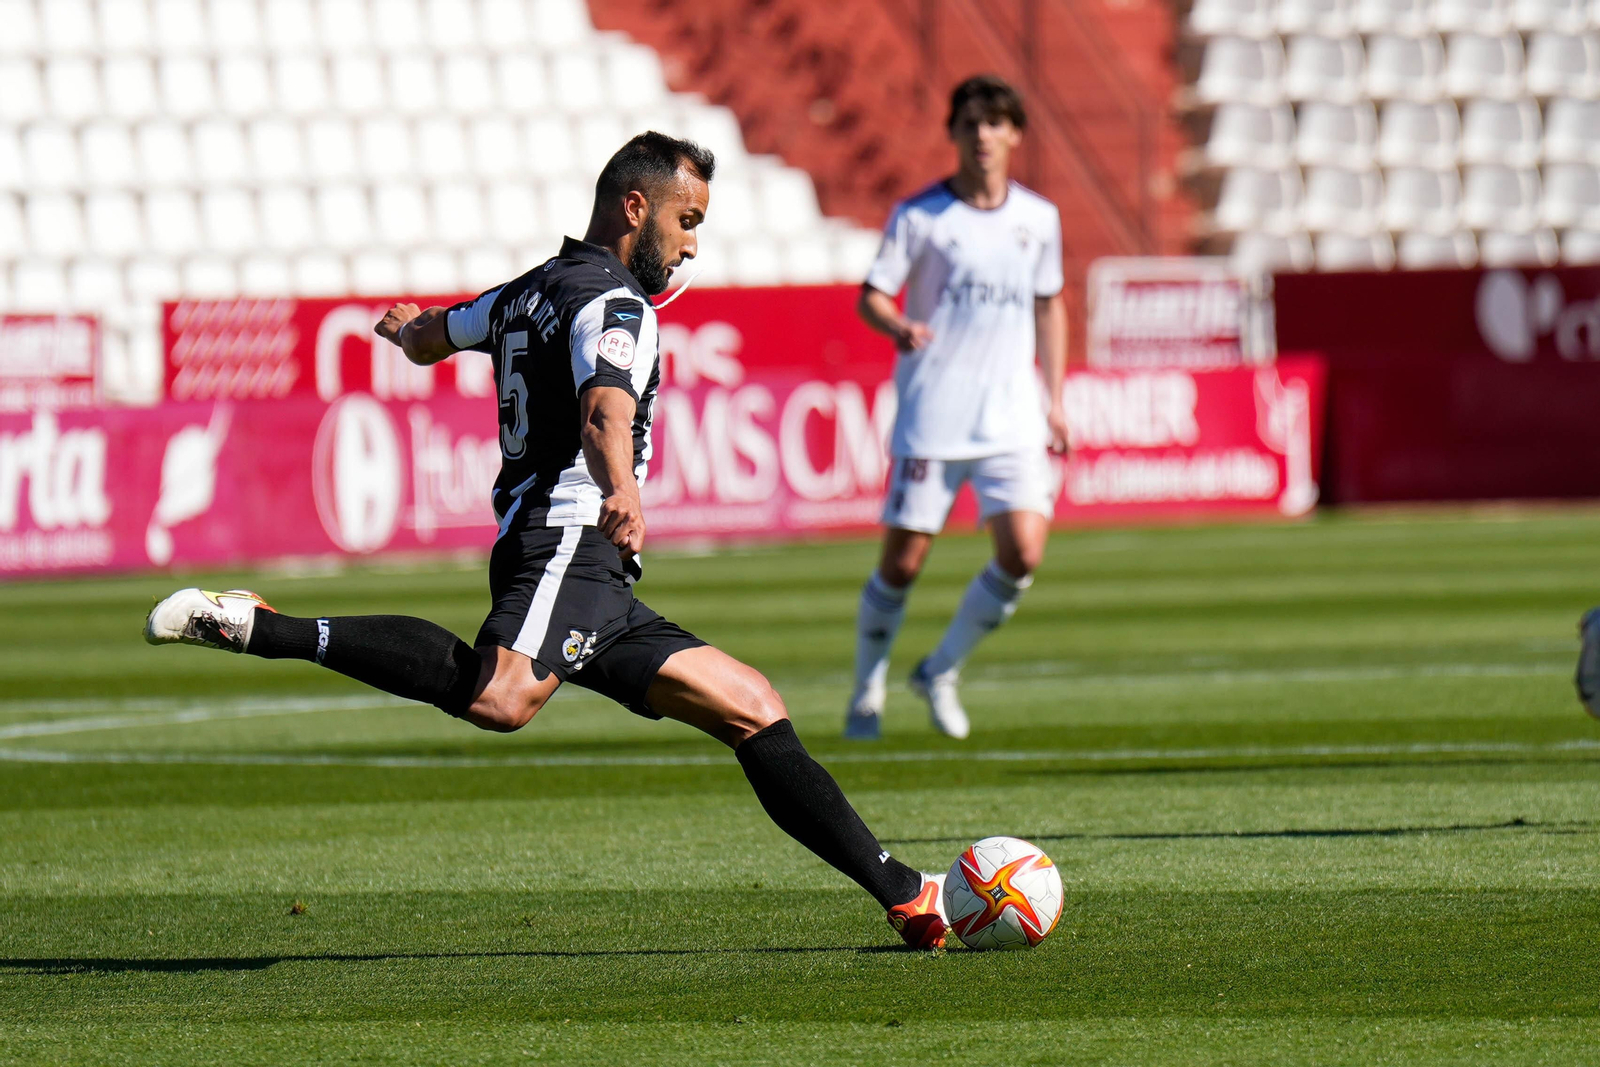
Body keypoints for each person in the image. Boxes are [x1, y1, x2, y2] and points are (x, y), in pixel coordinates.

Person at [144, 132, 950, 949]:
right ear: (636, 209)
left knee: (751, 705)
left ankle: (906, 894)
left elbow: (432, 336)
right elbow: (606, 410)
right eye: (686, 219)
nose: (691, 244)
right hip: (571, 537)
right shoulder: (616, 305)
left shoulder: (523, 292)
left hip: (580, 560)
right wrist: (623, 490)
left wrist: (405, 331)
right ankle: (260, 625)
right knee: (500, 695)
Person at [845, 75, 1070, 742]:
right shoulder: (920, 216)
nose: (982, 136)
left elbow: (1050, 304)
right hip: (934, 411)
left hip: (1011, 414)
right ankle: (866, 687)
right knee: (904, 562)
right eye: (970, 123)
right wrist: (898, 326)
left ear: (1014, 135)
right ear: (954, 133)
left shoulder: (1039, 219)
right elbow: (871, 295)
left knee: (1024, 552)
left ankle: (940, 668)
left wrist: (1054, 399)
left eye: (995, 123)